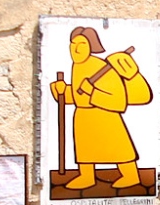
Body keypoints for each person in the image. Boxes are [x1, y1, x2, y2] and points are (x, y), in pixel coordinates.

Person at [50, 26, 154, 191]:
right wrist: (62, 92)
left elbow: (118, 101)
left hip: (105, 117)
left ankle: (131, 175)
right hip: (83, 116)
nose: (76, 48)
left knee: (119, 149)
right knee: (85, 149)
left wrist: (92, 92)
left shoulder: (102, 68)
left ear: (91, 46)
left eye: (82, 44)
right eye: (73, 43)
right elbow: (79, 96)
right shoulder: (77, 66)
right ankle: (87, 175)